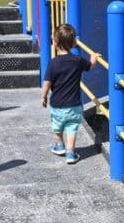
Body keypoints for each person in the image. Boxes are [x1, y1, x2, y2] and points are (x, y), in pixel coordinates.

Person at [41, 24, 100, 164]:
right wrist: (93, 57)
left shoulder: (53, 63)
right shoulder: (78, 60)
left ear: (55, 42)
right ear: (73, 43)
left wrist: (43, 96)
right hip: (74, 104)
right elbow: (90, 66)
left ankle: (59, 145)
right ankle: (70, 154)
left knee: (57, 126)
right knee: (72, 129)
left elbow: (47, 82)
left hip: (57, 105)